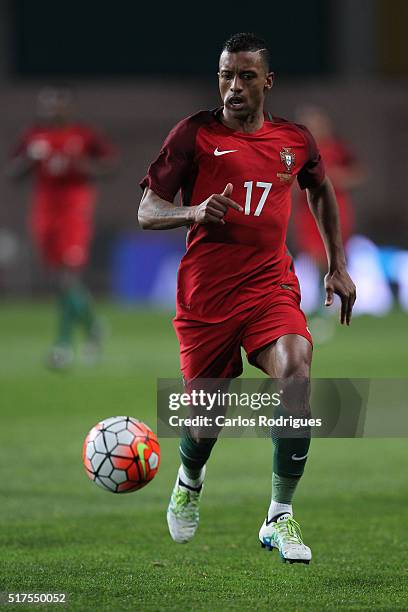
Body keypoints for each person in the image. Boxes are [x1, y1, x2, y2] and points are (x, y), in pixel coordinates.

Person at [138, 33, 356, 564]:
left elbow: (319, 187)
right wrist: (191, 213)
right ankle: (190, 479)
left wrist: (337, 264)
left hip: (269, 288)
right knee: (205, 419)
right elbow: (147, 209)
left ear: (267, 81)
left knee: (297, 371)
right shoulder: (195, 134)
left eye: (245, 76)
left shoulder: (294, 139)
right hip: (206, 299)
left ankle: (279, 516)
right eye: (225, 76)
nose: (233, 87)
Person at [8, 87, 116, 369]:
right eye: (47, 106)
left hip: (74, 211)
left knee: (68, 278)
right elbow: (12, 174)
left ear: (68, 109)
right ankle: (93, 325)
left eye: (57, 106)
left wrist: (82, 165)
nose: (51, 111)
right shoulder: (34, 136)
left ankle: (63, 346)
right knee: (60, 281)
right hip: (44, 213)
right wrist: (29, 159)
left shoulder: (83, 135)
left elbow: (109, 166)